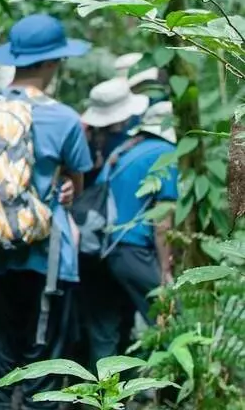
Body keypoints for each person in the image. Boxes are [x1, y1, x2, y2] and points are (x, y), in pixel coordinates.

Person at [0, 13, 93, 410]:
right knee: (43, 372)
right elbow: (75, 185)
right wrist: (63, 185)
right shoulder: (64, 118)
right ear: (49, 64)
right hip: (48, 259)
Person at [78, 99, 178, 368]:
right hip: (134, 250)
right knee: (170, 323)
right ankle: (175, 397)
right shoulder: (166, 152)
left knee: (105, 332)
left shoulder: (123, 150)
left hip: (100, 251)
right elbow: (163, 220)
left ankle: (102, 400)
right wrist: (165, 268)